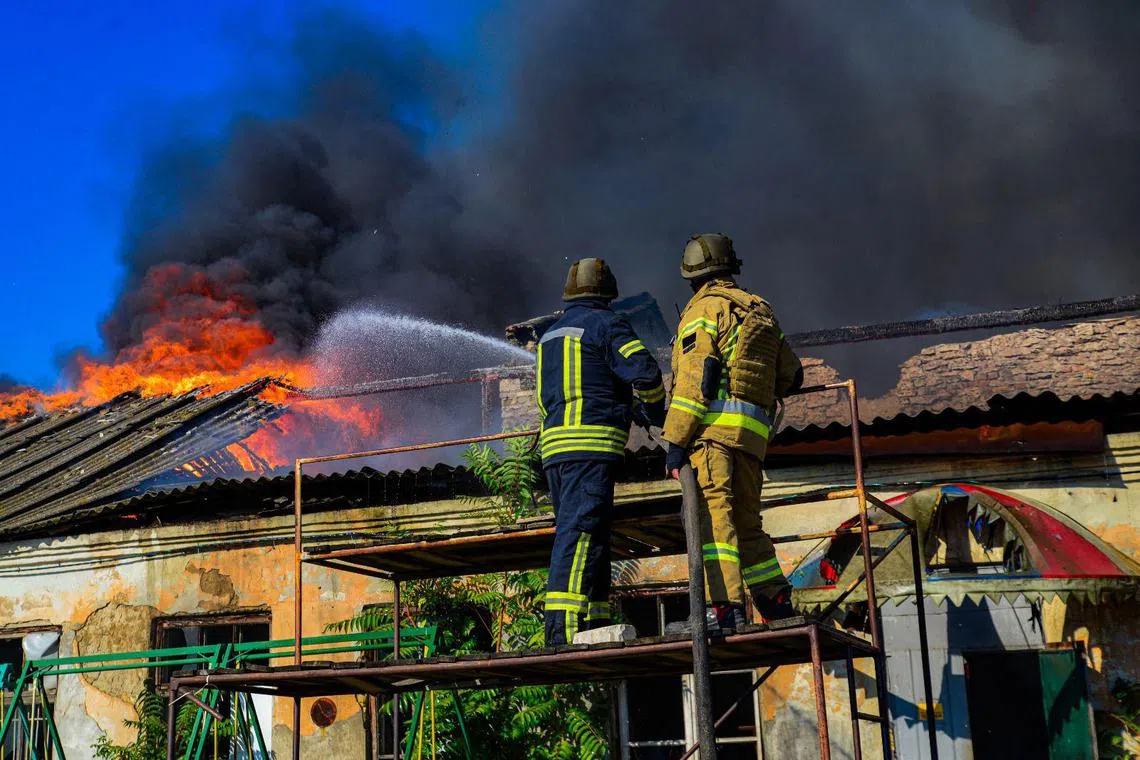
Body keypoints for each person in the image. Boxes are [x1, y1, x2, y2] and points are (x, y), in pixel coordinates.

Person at [661, 233, 803, 633]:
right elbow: (792, 375)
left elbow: (693, 383)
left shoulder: (703, 311)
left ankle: (724, 608)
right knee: (746, 522)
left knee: (714, 522)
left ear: (692, 278)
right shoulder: (760, 311)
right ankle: (774, 599)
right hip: (752, 440)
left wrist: (674, 442)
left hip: (713, 439)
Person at [537, 258, 666, 646]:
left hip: (556, 451)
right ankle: (561, 631)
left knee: (589, 535)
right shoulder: (607, 324)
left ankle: (596, 619)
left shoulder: (551, 335)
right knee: (579, 535)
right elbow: (645, 372)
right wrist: (655, 411)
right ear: (607, 294)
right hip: (590, 448)